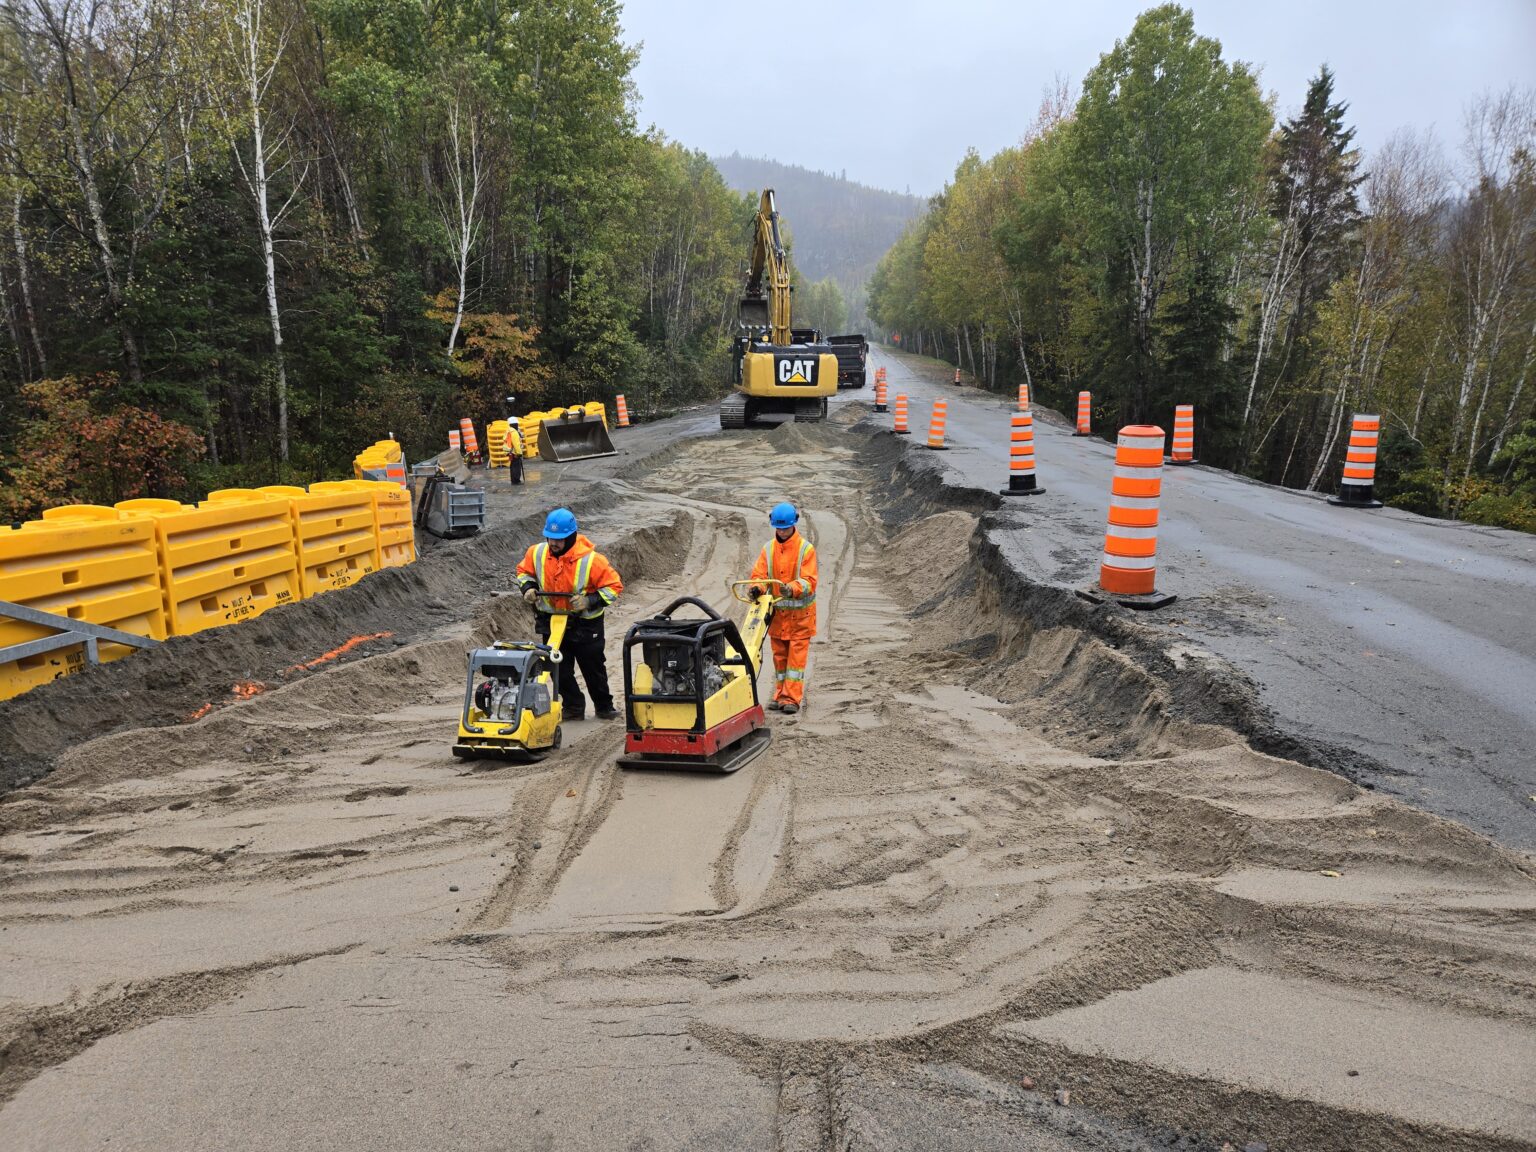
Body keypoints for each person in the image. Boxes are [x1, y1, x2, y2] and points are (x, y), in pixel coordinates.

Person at [515, 508, 622, 720]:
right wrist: (527, 588)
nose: (553, 543)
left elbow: (613, 587)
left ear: (571, 537)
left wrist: (589, 600)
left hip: (585, 625)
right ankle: (573, 707)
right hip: (552, 623)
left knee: (593, 669)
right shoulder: (536, 553)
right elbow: (524, 572)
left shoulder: (593, 560)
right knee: (558, 669)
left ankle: (603, 706)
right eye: (550, 538)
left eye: (559, 539)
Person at [749, 501, 818, 714]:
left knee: (795, 662)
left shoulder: (806, 549)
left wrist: (793, 588)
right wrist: (757, 588)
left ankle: (791, 699)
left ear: (794, 524)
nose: (782, 531)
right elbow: (759, 575)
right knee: (780, 659)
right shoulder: (768, 549)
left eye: (785, 528)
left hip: (800, 618)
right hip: (778, 617)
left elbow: (809, 581)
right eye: (778, 528)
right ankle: (780, 694)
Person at [506, 419, 524, 485]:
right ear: (515, 424)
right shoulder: (514, 432)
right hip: (515, 452)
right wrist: (519, 453)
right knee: (516, 467)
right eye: (517, 424)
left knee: (513, 466)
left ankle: (513, 480)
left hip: (510, 452)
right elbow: (516, 444)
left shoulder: (508, 431)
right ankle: (516, 481)